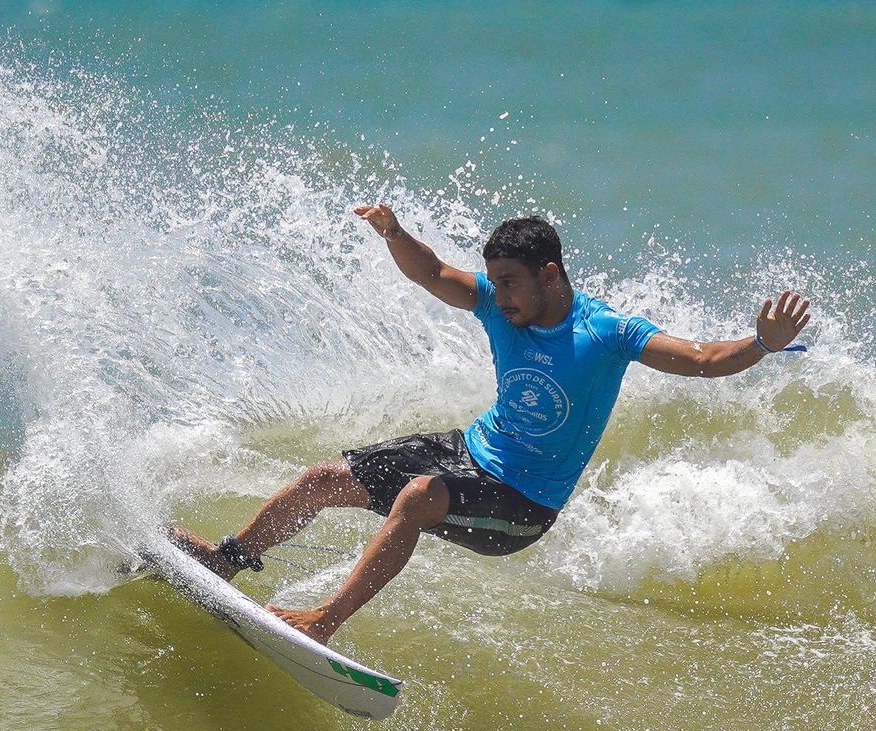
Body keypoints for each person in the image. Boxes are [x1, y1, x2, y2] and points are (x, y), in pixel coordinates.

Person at [172, 203, 810, 644]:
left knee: (419, 497)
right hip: (470, 452)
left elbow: (699, 360)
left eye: (509, 283)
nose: (497, 297)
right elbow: (431, 273)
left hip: (523, 503)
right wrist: (395, 233)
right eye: (495, 282)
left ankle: (322, 620)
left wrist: (760, 343)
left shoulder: (606, 333)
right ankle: (228, 558)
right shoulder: (501, 307)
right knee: (320, 479)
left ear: (550, 274)